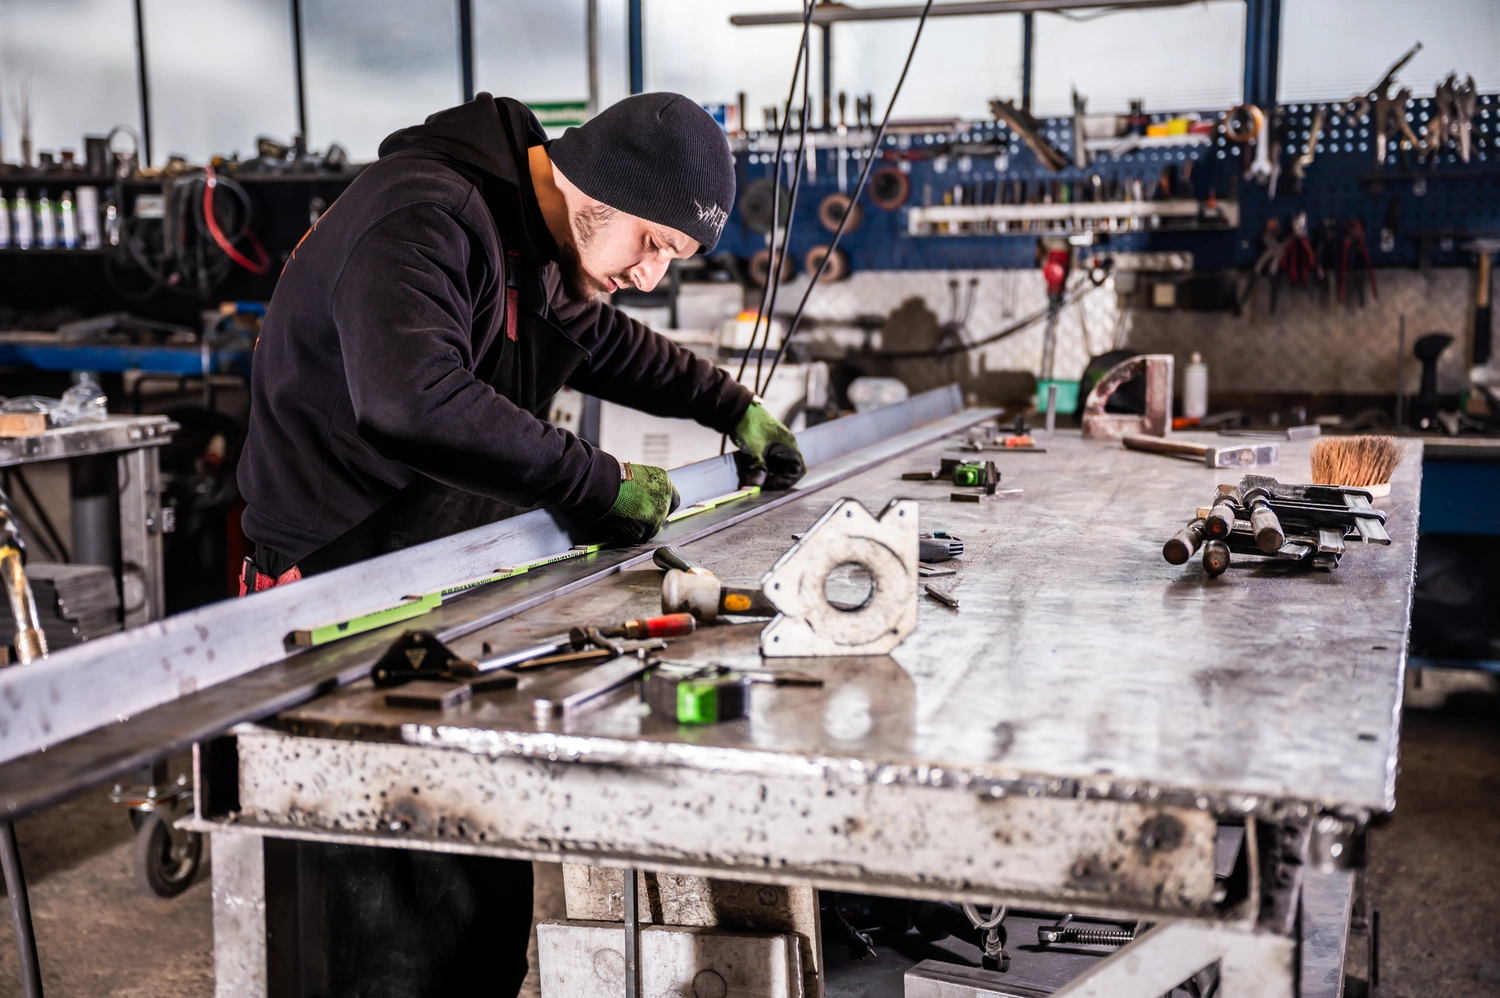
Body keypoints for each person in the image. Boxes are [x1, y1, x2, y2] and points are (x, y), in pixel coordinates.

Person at [235, 92, 805, 995]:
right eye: (652, 243)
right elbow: (410, 397)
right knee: (381, 932)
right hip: (340, 601)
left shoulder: (535, 238)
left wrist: (727, 404)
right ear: (594, 190)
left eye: (674, 255)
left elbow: (606, 344)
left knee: (474, 896)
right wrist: (595, 479)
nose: (652, 273)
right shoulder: (423, 213)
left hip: (444, 594)